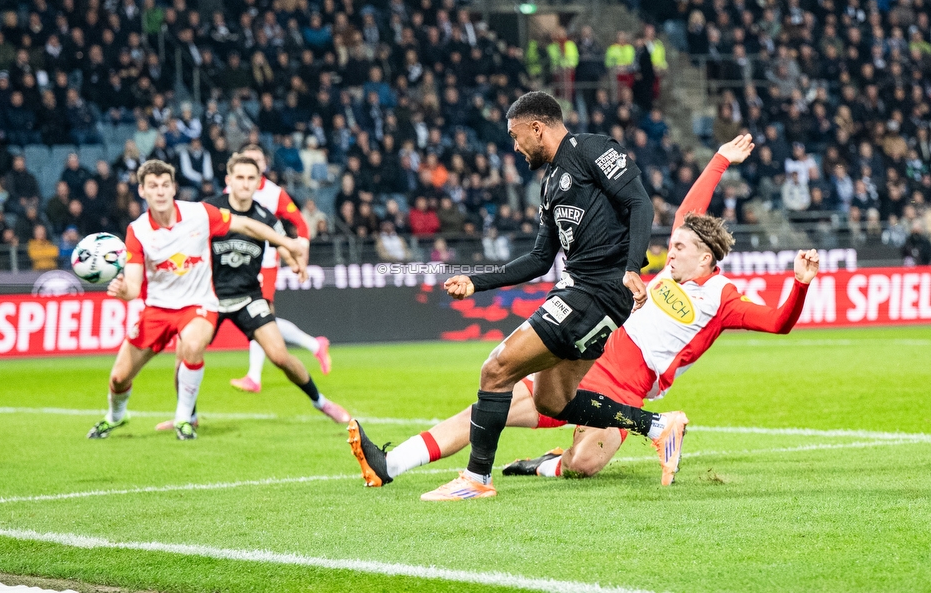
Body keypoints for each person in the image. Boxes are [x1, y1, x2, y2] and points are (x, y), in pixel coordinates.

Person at [348, 135, 820, 488]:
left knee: (585, 464)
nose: (669, 254)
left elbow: (778, 322)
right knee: (489, 406)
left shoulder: (725, 299)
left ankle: (544, 463)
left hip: (628, 388)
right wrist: (719, 160)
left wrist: (798, 286)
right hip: (592, 354)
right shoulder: (670, 266)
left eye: (679, 248)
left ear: (707, 259)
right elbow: (690, 210)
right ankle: (392, 463)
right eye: (671, 245)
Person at [378, 90, 663, 501]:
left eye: (516, 136)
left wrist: (633, 268)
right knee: (552, 401)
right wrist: (477, 282)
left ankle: (477, 479)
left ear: (537, 128)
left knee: (496, 369)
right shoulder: (550, 185)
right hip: (589, 297)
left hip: (593, 292)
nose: (514, 146)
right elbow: (538, 259)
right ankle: (654, 426)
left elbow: (640, 203)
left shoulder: (592, 149)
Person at [86, 160, 305, 441]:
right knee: (118, 378)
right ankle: (116, 416)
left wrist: (287, 243)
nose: (161, 191)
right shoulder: (137, 231)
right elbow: (133, 286)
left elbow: (248, 225)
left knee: (191, 345)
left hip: (198, 305)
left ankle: (184, 418)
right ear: (142, 191)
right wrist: (121, 289)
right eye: (153, 186)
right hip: (157, 310)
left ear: (174, 187)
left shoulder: (199, 214)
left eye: (166, 185)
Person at [156, 154, 350, 429]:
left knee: (280, 357)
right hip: (209, 296)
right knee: (186, 352)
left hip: (249, 297)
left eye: (251, 179)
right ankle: (188, 417)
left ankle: (322, 402)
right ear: (229, 180)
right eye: (240, 178)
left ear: (259, 182)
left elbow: (283, 246)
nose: (245, 184)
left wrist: (297, 263)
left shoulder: (265, 217)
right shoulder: (208, 209)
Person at [227, 144, 333, 391]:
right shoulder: (232, 188)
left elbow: (299, 223)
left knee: (259, 316)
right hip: (235, 263)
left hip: (264, 265)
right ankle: (315, 345)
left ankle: (254, 376)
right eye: (247, 159)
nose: (252, 164)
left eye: (257, 159)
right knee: (265, 320)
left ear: (264, 165)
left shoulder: (275, 194)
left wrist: (301, 250)